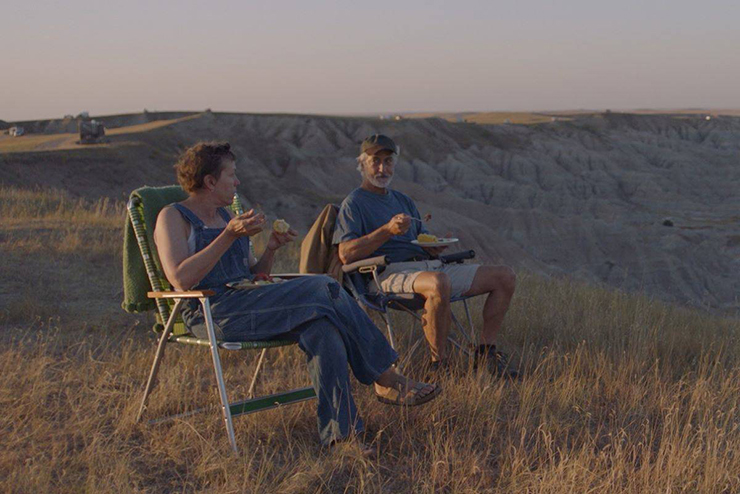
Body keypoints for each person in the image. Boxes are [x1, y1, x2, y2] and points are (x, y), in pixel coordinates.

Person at [153, 141, 441, 452]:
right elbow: (181, 279)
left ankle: (341, 437)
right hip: (213, 312)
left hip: (249, 302)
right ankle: (385, 376)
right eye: (232, 175)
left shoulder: (226, 218)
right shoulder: (174, 217)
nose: (237, 182)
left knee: (324, 330)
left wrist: (271, 248)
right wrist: (228, 236)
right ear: (210, 181)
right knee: (323, 285)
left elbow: (253, 275)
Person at [333, 135, 518, 377]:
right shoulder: (354, 203)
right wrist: (386, 231)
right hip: (385, 274)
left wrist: (434, 246)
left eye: (388, 162)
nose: (382, 168)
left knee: (504, 276)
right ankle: (439, 366)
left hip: (428, 266)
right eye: (375, 161)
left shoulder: (403, 201)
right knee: (438, 282)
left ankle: (485, 355)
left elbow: (422, 239)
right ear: (362, 164)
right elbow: (346, 255)